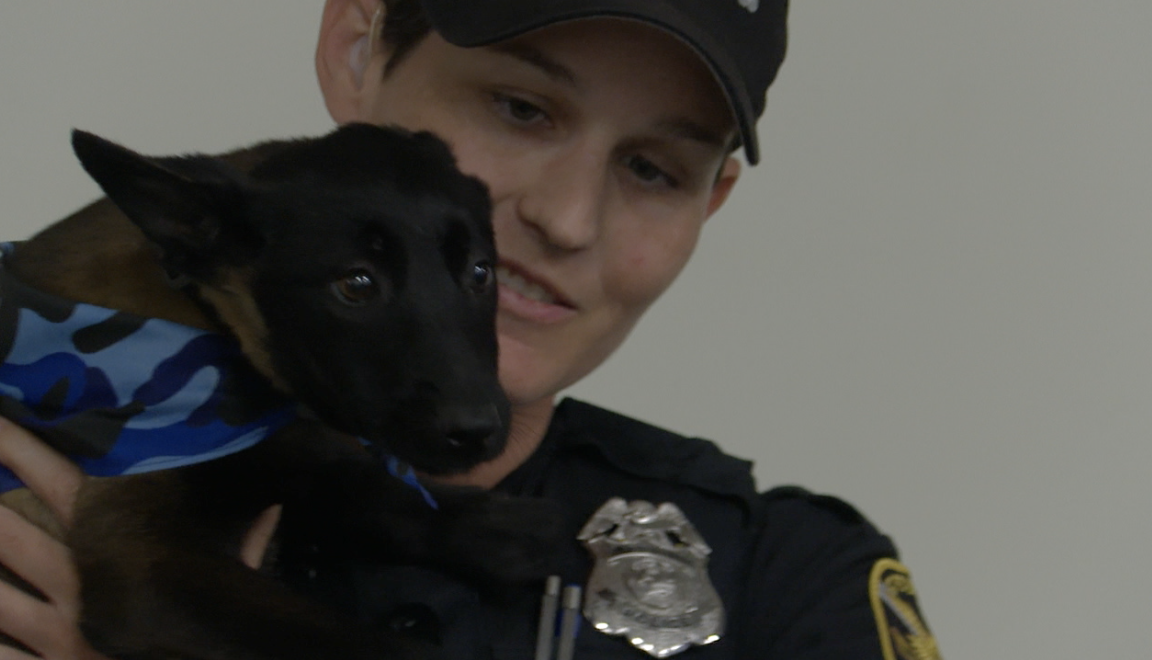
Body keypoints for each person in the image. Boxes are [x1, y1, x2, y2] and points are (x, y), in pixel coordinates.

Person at [0, 1, 941, 659]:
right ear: (356, 48)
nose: (568, 218)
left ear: (713, 202)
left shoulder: (782, 580)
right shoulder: (64, 408)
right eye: (521, 108)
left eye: (654, 168)